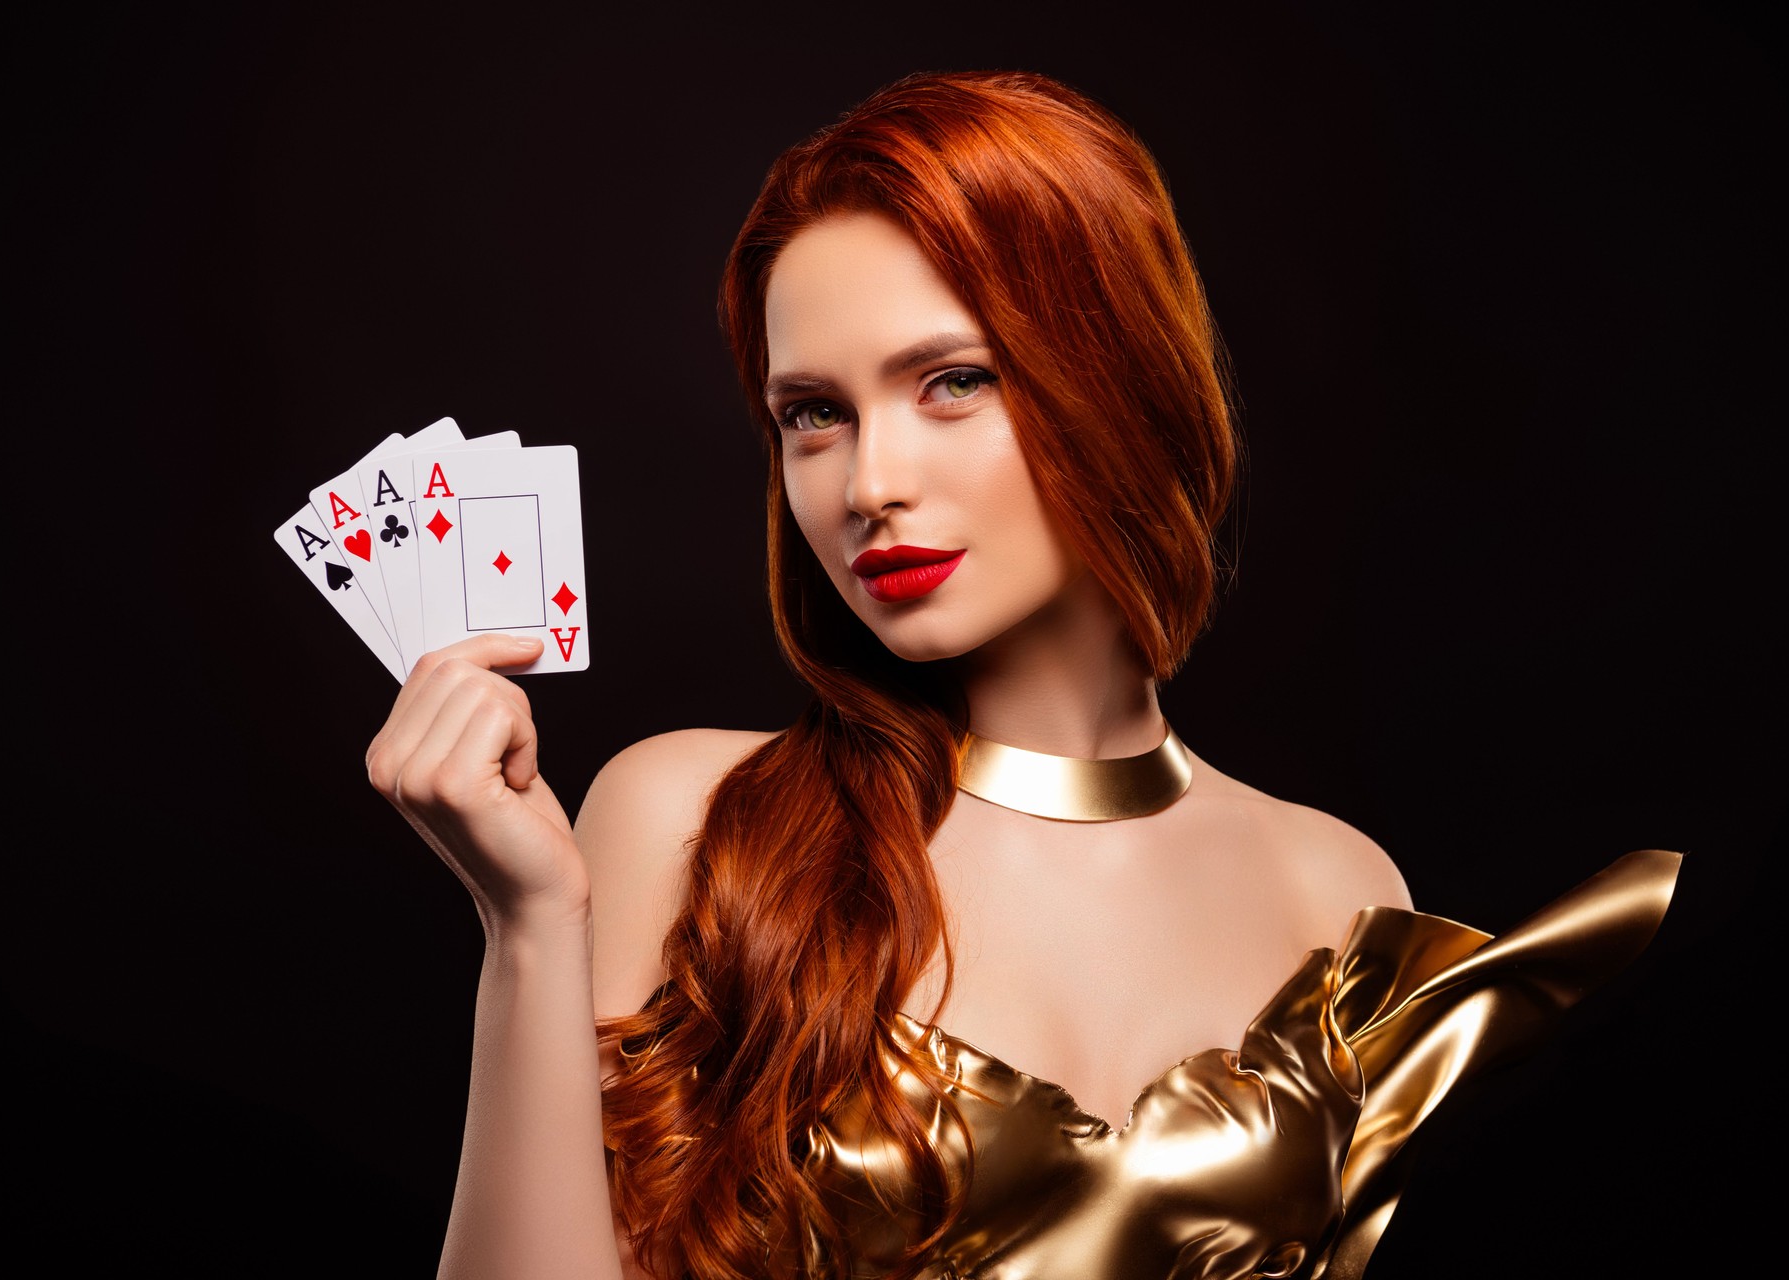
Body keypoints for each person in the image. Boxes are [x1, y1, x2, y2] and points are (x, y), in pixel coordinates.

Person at [365, 70, 1679, 1280]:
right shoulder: (695, 817)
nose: (869, 482)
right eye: (813, 414)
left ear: (1116, 377)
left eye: (952, 381)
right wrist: (529, 931)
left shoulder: (1337, 890)